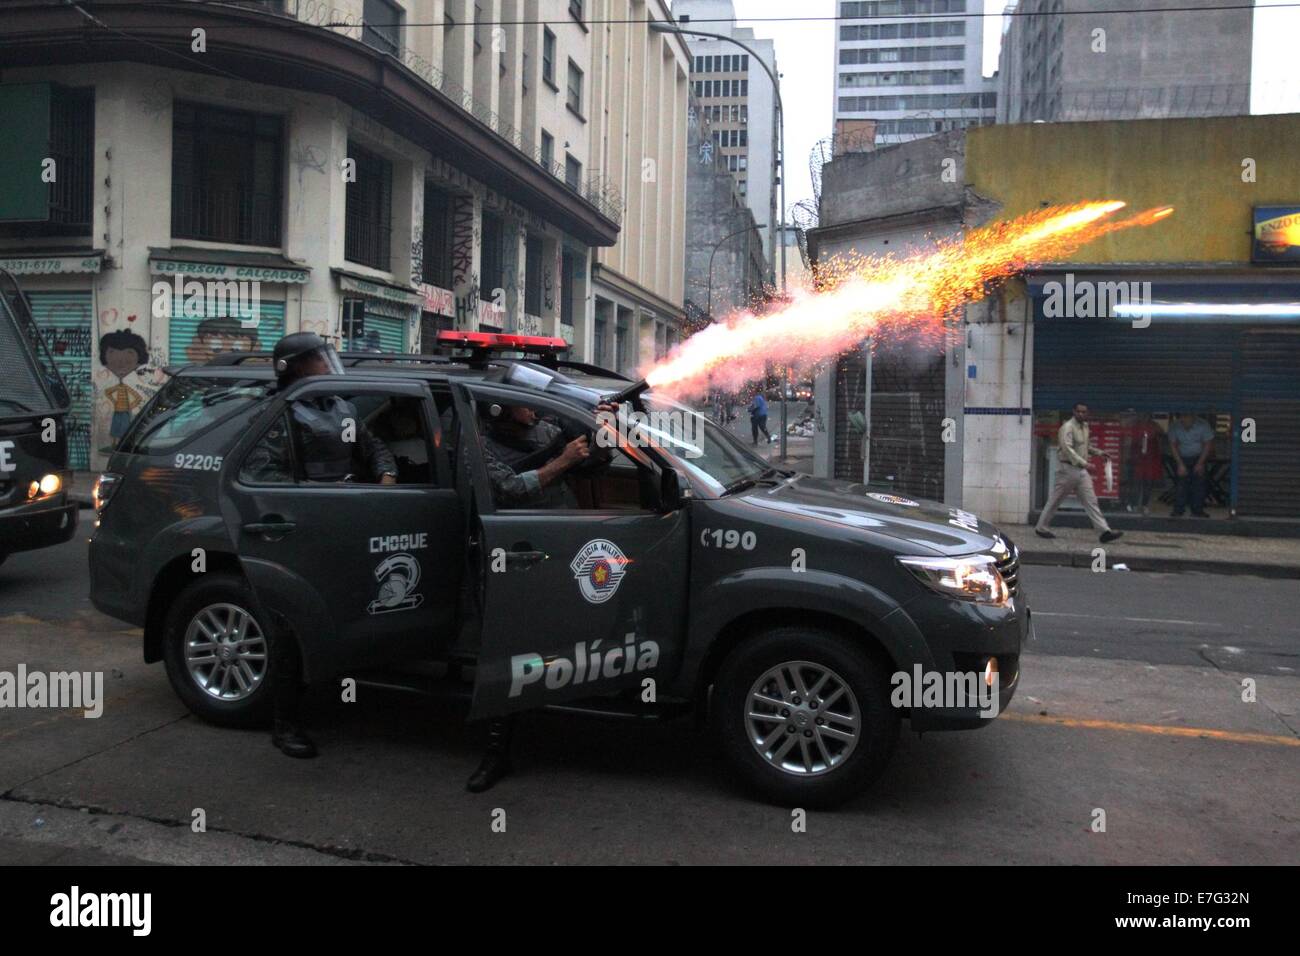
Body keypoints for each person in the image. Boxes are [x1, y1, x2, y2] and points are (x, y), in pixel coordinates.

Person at [464, 398, 616, 793]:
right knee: (510, 650)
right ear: (498, 410)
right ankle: (497, 751)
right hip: (520, 551)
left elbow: (596, 461)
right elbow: (510, 489)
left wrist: (602, 428)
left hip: (566, 543)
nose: (534, 412)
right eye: (522, 405)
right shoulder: (479, 447)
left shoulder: (547, 433)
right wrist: (562, 460)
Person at [258, 332, 398, 760]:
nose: (326, 363)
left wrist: (385, 480)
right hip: (305, 526)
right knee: (290, 628)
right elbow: (267, 475)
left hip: (346, 520)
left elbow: (375, 450)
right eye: (318, 358)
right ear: (294, 368)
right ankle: (285, 724)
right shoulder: (280, 411)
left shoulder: (340, 407)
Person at [1035, 402, 1123, 543]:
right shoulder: (1067, 427)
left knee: (1091, 501)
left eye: (1084, 412)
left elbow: (1086, 446)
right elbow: (1067, 449)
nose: (1081, 414)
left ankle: (1104, 532)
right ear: (1073, 412)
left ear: (1087, 413)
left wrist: (1100, 453)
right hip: (1067, 469)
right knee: (1056, 500)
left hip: (1080, 471)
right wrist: (1086, 464)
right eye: (1079, 412)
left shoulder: (1085, 427)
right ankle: (1041, 527)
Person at [1168, 412, 1215, 517]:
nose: (1183, 419)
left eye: (1186, 416)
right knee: (1181, 485)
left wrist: (1201, 463)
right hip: (1181, 458)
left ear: (1193, 416)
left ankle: (1197, 511)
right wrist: (1180, 464)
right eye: (1182, 417)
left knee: (1199, 485)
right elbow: (1173, 446)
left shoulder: (1203, 425)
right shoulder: (1175, 426)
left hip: (1199, 457)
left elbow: (1208, 444)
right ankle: (1178, 510)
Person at [1120, 409, 1164, 515]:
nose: (1144, 416)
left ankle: (1145, 505)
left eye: (1146, 414)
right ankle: (1133, 504)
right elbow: (1126, 439)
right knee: (1136, 483)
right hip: (1137, 459)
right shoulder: (1133, 426)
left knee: (1148, 483)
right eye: (1142, 414)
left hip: (1150, 459)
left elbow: (1161, 434)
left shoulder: (1154, 426)